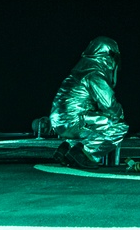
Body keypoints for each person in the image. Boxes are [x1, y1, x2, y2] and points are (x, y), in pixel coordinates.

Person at [49, 36, 128, 169]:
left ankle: (68, 147)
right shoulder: (95, 73)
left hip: (59, 122)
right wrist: (119, 114)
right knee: (118, 126)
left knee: (92, 126)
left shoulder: (80, 69)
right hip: (74, 121)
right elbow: (109, 105)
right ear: (109, 55)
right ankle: (87, 154)